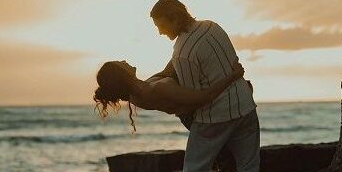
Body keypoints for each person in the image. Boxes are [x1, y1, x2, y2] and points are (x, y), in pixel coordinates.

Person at [150, 0, 260, 172]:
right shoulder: (212, 26)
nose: (159, 31)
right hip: (244, 105)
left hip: (213, 117)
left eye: (161, 25)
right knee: (248, 167)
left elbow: (194, 95)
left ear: (175, 18)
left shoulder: (184, 53)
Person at [94, 59, 244, 130]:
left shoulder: (138, 91)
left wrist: (182, 46)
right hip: (204, 120)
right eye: (120, 62)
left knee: (230, 171)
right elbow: (203, 97)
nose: (124, 60)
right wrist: (233, 76)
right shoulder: (155, 89)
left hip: (199, 119)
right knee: (232, 171)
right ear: (121, 74)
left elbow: (166, 72)